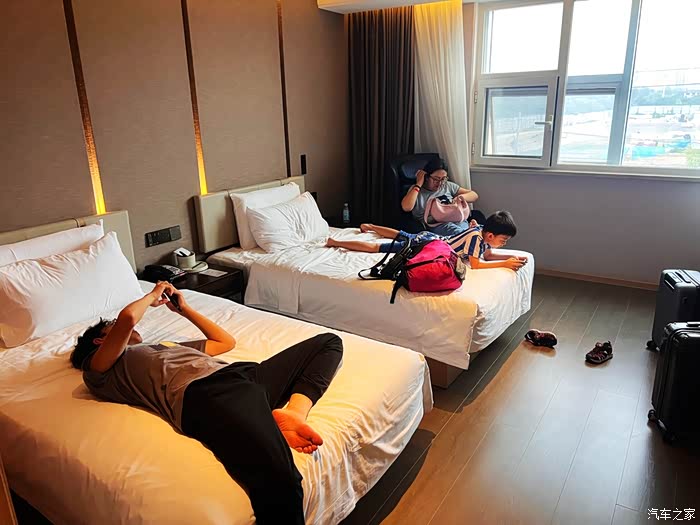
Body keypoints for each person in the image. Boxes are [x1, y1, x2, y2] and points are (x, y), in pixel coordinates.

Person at [70, 281, 343, 524]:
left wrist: (184, 310)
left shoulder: (161, 347)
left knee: (328, 343)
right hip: (210, 394)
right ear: (101, 340)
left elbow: (225, 342)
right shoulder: (99, 370)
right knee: (281, 481)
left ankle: (294, 412)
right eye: (111, 327)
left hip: (243, 375)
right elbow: (128, 318)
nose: (132, 328)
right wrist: (152, 294)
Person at [326, 211, 527, 272]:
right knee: (378, 247)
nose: (504, 244)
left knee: (401, 234)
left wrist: (512, 257)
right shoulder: (476, 237)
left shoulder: (482, 232)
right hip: (426, 246)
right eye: (503, 240)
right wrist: (505, 264)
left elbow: (488, 255)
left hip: (431, 239)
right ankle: (336, 242)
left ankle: (370, 226)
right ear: (490, 235)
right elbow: (476, 264)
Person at [401, 158, 480, 236]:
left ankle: (473, 234)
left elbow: (474, 195)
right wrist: (418, 184)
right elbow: (406, 207)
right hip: (435, 224)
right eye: (436, 179)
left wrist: (458, 198)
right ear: (427, 177)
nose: (440, 183)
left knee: (473, 232)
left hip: (455, 219)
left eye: (443, 179)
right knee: (461, 233)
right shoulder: (416, 190)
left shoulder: (447, 185)